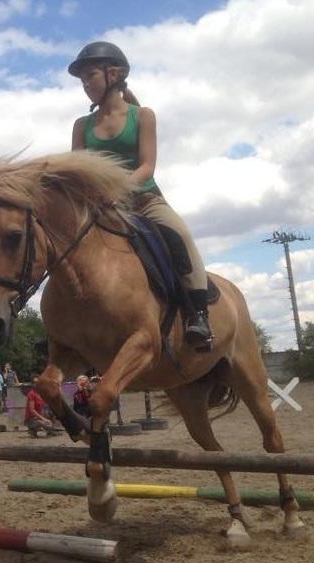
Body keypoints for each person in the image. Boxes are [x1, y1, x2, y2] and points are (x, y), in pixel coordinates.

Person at [68, 41, 214, 351]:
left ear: (114, 74)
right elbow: (77, 172)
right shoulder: (81, 125)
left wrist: (116, 190)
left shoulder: (143, 116)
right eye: (82, 80)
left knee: (181, 236)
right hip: (100, 208)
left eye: (90, 76)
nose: (85, 85)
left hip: (143, 200)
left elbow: (147, 167)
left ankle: (197, 315)